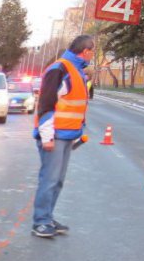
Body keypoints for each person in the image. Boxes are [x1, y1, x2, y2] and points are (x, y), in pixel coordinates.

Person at [30, 34, 95, 238]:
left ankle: (47, 217)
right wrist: (47, 136)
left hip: (66, 135)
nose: (93, 55)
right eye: (93, 52)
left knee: (57, 180)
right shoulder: (60, 69)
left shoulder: (75, 70)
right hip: (55, 135)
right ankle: (40, 221)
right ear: (85, 51)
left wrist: (77, 132)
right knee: (49, 179)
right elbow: (46, 105)